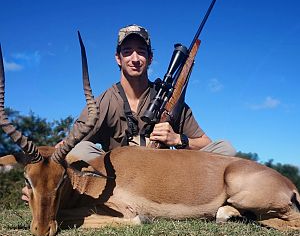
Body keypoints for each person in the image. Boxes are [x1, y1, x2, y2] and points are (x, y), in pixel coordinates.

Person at [22, 24, 235, 202]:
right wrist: (38, 186)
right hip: (121, 182)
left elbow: (205, 142)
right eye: (127, 52)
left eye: (141, 52)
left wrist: (178, 139)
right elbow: (64, 147)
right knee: (82, 150)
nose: (135, 58)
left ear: (150, 58)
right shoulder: (104, 101)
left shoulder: (170, 102)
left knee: (226, 148)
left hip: (165, 177)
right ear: (118, 58)